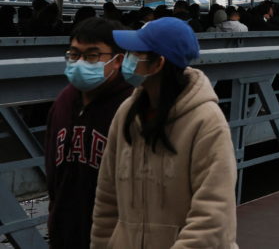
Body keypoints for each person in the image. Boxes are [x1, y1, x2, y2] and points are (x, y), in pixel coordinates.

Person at [91, 17, 237, 248]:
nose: (126, 59)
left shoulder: (206, 121)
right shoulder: (128, 113)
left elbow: (212, 215)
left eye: (134, 53)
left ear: (158, 63)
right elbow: (106, 201)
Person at [44, 18, 133, 248]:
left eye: (92, 55)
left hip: (114, 237)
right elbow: (52, 169)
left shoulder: (132, 106)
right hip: (65, 231)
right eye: (74, 54)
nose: (81, 62)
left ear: (117, 60)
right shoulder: (64, 102)